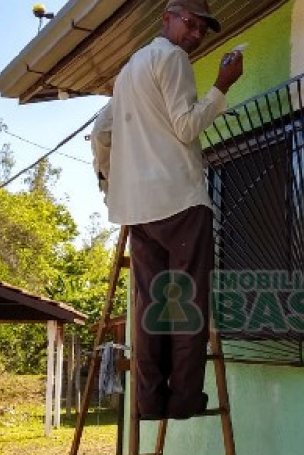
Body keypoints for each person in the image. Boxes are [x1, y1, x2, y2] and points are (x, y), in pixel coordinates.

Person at [91, 0, 244, 419]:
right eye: (190, 24)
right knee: (187, 303)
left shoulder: (129, 72)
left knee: (150, 307)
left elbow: (100, 132)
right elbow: (186, 126)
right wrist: (222, 86)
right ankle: (182, 400)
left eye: (201, 31)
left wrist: (108, 182)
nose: (195, 35)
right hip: (179, 200)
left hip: (138, 210)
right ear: (168, 19)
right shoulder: (172, 58)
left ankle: (149, 400)